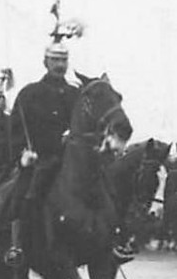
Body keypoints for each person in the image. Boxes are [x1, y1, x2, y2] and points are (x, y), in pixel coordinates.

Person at [9, 41, 132, 266]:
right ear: (45, 62)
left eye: (63, 60)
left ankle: (115, 240)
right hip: (41, 157)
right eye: (55, 60)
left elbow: (92, 122)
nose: (60, 65)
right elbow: (16, 128)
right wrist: (23, 153)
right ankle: (17, 245)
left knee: (109, 188)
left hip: (74, 158)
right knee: (26, 192)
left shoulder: (78, 94)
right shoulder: (29, 94)